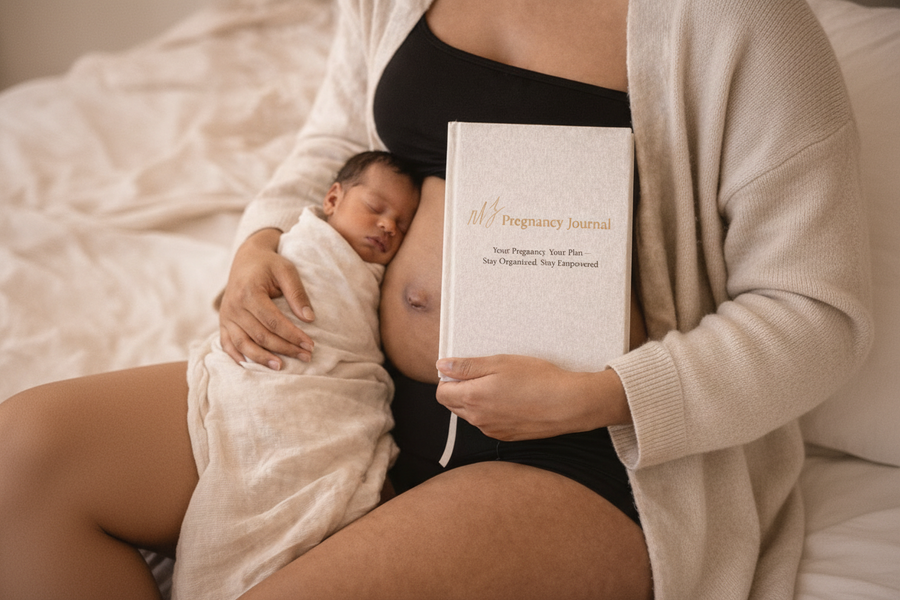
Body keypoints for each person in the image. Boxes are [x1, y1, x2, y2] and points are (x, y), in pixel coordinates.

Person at [0, 0, 873, 598]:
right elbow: (340, 137)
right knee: (24, 459)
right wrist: (261, 240)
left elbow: (815, 314)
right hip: (343, 378)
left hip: (590, 451)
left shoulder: (741, 24)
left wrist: (610, 394)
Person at [171, 151, 420, 600]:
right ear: (331, 199)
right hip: (279, 379)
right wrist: (251, 251)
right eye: (376, 209)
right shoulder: (308, 244)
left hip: (339, 388)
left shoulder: (370, 275)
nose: (388, 226)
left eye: (402, 224)